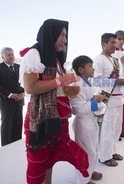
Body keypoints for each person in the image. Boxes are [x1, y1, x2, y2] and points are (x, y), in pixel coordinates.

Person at [19, 19, 89, 184]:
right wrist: (61, 81)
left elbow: (56, 86)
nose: (65, 40)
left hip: (56, 116)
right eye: (62, 35)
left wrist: (67, 86)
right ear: (51, 34)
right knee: (38, 159)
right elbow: (30, 87)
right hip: (40, 117)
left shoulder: (56, 59)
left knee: (49, 157)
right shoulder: (34, 54)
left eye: (66, 35)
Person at [93, 33, 124, 167]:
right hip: (106, 99)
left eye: (116, 42)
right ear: (104, 44)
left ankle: (112, 151)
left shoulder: (115, 60)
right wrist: (116, 81)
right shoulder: (98, 60)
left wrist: (121, 81)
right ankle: (104, 156)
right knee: (107, 129)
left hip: (118, 98)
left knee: (116, 128)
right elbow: (96, 80)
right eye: (112, 43)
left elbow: (116, 78)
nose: (115, 45)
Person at [70, 55, 103, 184]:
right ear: (80, 69)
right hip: (83, 124)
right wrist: (95, 100)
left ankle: (89, 172)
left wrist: (97, 104)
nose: (93, 69)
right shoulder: (76, 85)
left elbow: (91, 103)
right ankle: (82, 180)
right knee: (85, 153)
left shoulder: (87, 82)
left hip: (90, 121)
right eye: (90, 66)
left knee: (94, 150)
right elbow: (78, 109)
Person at [0, 47, 24, 146]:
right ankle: (5, 148)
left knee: (18, 124)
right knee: (7, 126)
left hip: (19, 100)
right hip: (6, 102)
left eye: (12, 54)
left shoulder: (19, 67)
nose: (11, 56)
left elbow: (23, 81)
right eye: (8, 54)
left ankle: (16, 145)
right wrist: (10, 95)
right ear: (2, 57)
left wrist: (23, 93)